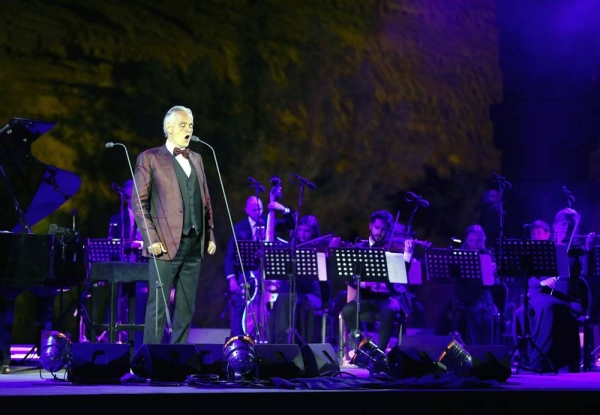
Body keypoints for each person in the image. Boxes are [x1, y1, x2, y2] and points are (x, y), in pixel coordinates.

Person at [132, 105, 216, 345]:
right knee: (158, 306)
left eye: (191, 125)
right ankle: (151, 361)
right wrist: (151, 240)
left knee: (186, 308)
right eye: (183, 125)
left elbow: (205, 200)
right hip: (164, 245)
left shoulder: (197, 159)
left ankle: (177, 359)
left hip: (193, 243)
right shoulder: (150, 158)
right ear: (169, 128)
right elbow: (139, 203)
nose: (188, 129)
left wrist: (209, 234)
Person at [512, 208, 594, 373]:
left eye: (570, 225)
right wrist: (543, 282)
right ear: (555, 226)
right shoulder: (547, 248)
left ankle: (541, 361)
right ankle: (524, 357)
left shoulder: (580, 251)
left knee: (549, 307)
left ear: (575, 228)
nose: (566, 228)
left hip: (569, 299)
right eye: (563, 224)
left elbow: (586, 275)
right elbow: (533, 277)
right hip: (544, 296)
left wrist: (590, 250)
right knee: (520, 312)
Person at [340, 210, 415, 353]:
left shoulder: (392, 249)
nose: (379, 232)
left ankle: (380, 353)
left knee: (392, 308)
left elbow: (402, 274)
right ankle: (361, 347)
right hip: (365, 298)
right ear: (370, 226)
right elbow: (350, 278)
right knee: (348, 310)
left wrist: (407, 253)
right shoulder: (359, 249)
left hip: (386, 298)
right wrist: (366, 284)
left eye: (383, 229)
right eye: (376, 228)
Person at [224, 194, 294, 340]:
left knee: (271, 306)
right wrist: (231, 279)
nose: (259, 212)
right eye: (255, 209)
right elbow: (230, 255)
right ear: (247, 210)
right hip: (246, 273)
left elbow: (291, 224)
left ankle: (270, 339)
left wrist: (283, 209)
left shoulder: (269, 222)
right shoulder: (239, 228)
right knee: (241, 303)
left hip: (267, 275)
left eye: (261, 209)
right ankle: (238, 339)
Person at [434, 224, 496, 345]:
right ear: (467, 241)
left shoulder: (486, 255)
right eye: (472, 240)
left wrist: (491, 271)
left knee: (482, 309)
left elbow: (489, 283)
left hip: (480, 296)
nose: (475, 244)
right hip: (463, 296)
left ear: (483, 241)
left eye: (478, 241)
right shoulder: (460, 255)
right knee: (446, 310)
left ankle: (480, 349)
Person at [269, 214, 323, 344]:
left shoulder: (316, 248)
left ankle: (293, 342)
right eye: (300, 230)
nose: (303, 234)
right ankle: (279, 342)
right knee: (282, 298)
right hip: (292, 291)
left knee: (286, 298)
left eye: (307, 231)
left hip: (309, 292)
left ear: (313, 232)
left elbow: (315, 279)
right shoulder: (291, 247)